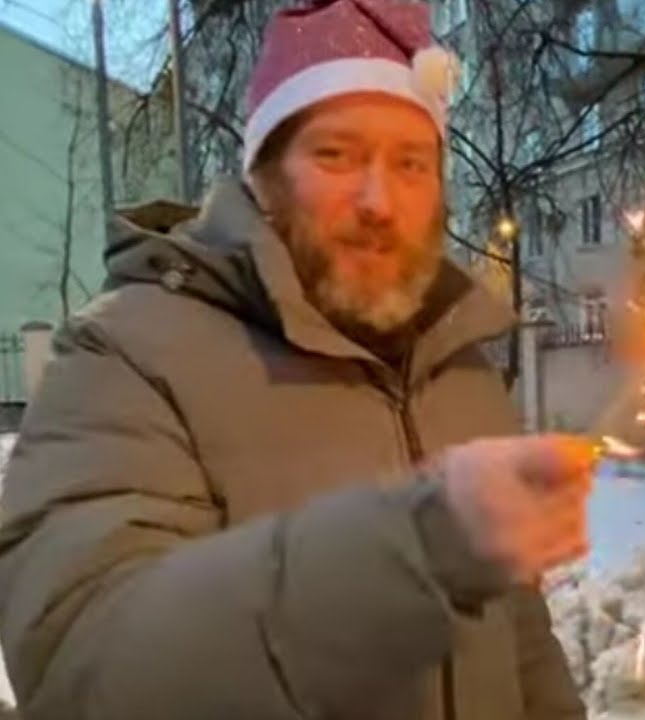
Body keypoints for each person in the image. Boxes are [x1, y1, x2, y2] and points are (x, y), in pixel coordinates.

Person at [0, 1, 590, 718]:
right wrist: (413, 549)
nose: (379, 200)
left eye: (411, 162)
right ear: (265, 176)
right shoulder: (124, 357)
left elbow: (520, 642)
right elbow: (84, 669)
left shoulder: (460, 365)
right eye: (336, 154)